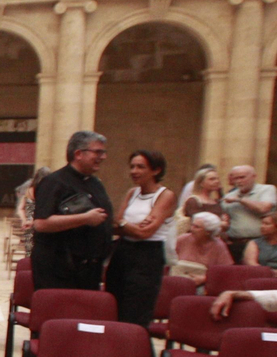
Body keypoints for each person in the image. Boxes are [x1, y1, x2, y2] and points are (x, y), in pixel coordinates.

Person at [31, 131, 113, 291]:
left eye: (103, 152)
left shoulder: (95, 183)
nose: (103, 157)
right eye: (97, 152)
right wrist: (84, 218)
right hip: (60, 271)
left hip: (89, 271)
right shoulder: (54, 182)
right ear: (78, 154)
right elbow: (41, 223)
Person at [106, 150, 175, 327]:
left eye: (140, 167)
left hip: (147, 256)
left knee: (136, 313)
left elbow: (145, 233)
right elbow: (116, 225)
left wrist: (124, 224)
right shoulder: (132, 193)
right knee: (114, 308)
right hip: (123, 252)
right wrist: (127, 226)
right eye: (132, 167)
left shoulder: (165, 195)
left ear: (156, 170)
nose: (134, 171)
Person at [222, 165, 276, 260]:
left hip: (259, 243)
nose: (239, 181)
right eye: (235, 178)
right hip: (234, 243)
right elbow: (225, 220)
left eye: (242, 177)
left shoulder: (267, 190)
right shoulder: (228, 196)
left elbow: (264, 208)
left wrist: (240, 200)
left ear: (254, 176)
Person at [173, 211, 234, 285]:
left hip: (204, 284)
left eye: (197, 227)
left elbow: (226, 271)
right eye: (192, 225)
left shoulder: (219, 246)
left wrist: (205, 278)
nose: (192, 229)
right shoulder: (182, 239)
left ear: (208, 232)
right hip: (177, 280)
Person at [13, 167, 51, 252]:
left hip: (29, 226)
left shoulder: (29, 190)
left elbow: (20, 208)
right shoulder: (49, 191)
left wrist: (24, 220)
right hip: (44, 226)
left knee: (30, 254)